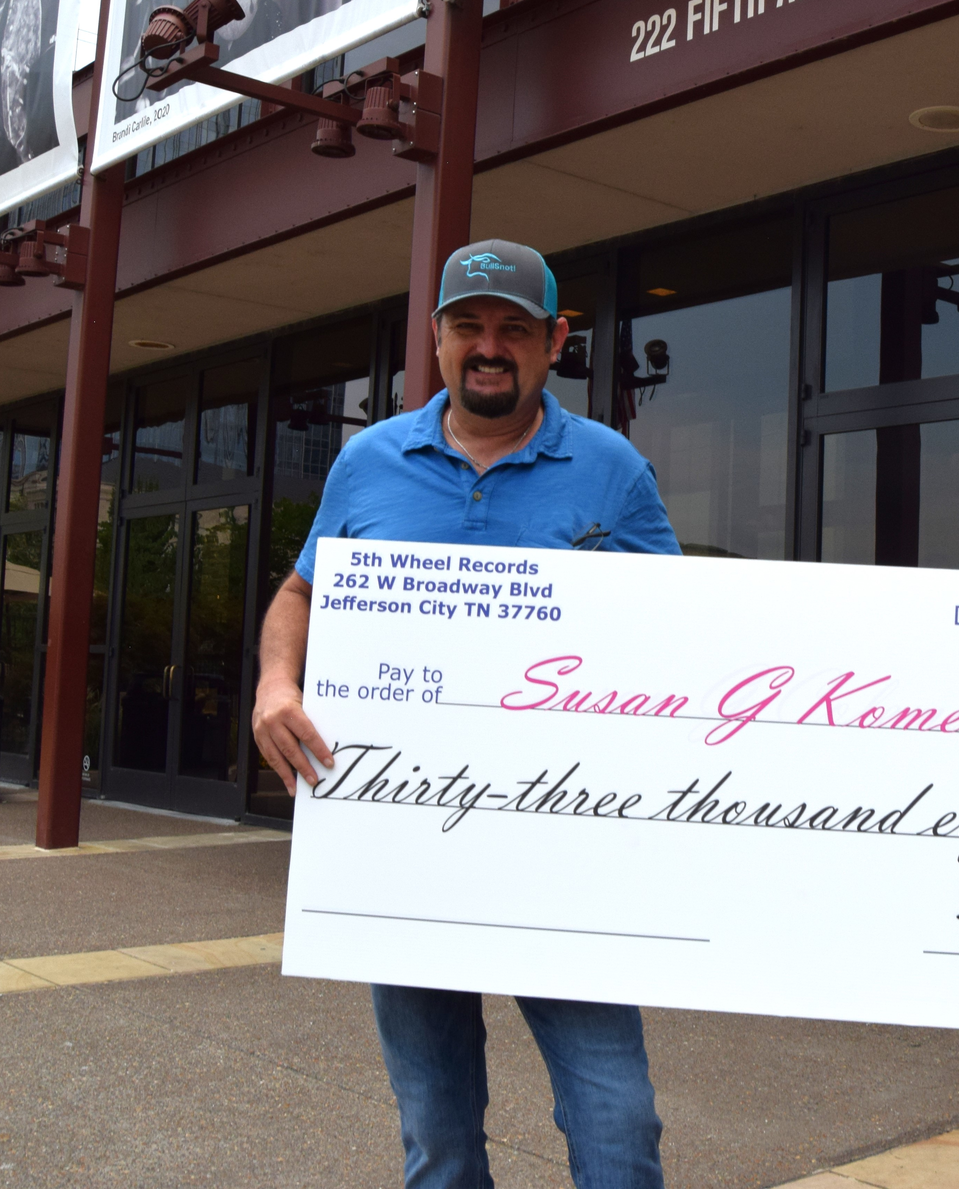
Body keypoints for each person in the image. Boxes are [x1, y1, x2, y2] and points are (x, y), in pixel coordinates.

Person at [251, 238, 677, 1189]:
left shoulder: (613, 470)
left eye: (513, 330)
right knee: (438, 1137)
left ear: (554, 341)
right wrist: (277, 685)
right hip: (404, 853)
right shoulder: (367, 463)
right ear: (438, 339)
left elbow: (677, 631)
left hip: (565, 853)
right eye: (469, 326)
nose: (490, 346)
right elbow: (300, 593)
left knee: (619, 1122)